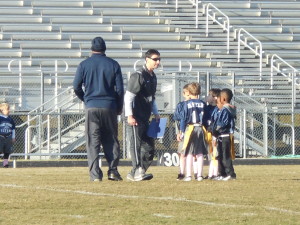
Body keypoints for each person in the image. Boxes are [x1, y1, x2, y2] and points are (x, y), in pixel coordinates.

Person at [73, 36, 124, 182]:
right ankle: (113, 170)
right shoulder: (114, 64)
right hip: (109, 106)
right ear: (104, 49)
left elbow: (76, 86)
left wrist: (86, 99)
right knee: (111, 139)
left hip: (92, 106)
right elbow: (120, 90)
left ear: (92, 49)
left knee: (93, 140)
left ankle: (95, 174)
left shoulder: (84, 65)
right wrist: (118, 107)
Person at [124, 49, 160, 181]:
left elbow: (151, 97)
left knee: (149, 147)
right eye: (155, 59)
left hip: (146, 116)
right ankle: (137, 170)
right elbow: (128, 97)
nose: (158, 62)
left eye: (159, 59)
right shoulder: (138, 75)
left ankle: (136, 172)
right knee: (135, 145)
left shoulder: (153, 76)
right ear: (147, 59)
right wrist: (129, 115)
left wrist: (155, 113)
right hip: (135, 116)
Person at [177, 82, 208, 181]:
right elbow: (206, 118)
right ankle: (199, 175)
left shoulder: (187, 104)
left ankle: (189, 175)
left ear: (189, 92)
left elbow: (183, 118)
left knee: (189, 152)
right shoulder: (203, 104)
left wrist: (181, 131)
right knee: (199, 153)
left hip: (190, 128)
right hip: (201, 127)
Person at [211, 88, 237, 181]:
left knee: (226, 156)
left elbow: (223, 123)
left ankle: (230, 173)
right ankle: (222, 173)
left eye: (219, 97)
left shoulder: (226, 110)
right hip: (220, 136)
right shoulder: (223, 110)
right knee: (220, 155)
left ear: (224, 99)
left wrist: (216, 129)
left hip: (225, 135)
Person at [173, 84, 190, 180]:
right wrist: (178, 132)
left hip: (193, 130)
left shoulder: (196, 104)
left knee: (194, 154)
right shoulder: (181, 105)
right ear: (184, 94)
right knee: (182, 153)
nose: (189, 97)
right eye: (187, 95)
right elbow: (177, 120)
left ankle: (195, 173)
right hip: (183, 131)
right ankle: (181, 172)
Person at [205, 88, 221, 179]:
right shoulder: (207, 108)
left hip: (215, 134)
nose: (208, 97)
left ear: (215, 97)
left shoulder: (217, 109)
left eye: (210, 95)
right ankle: (211, 173)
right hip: (208, 133)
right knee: (210, 154)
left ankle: (216, 172)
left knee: (215, 153)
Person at [0, 103, 16, 168]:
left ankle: (5, 164)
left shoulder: (10, 119)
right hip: (1, 137)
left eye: (9, 109)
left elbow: (13, 129)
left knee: (7, 151)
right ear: (1, 110)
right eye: (7, 109)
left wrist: (13, 137)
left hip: (8, 137)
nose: (9, 110)